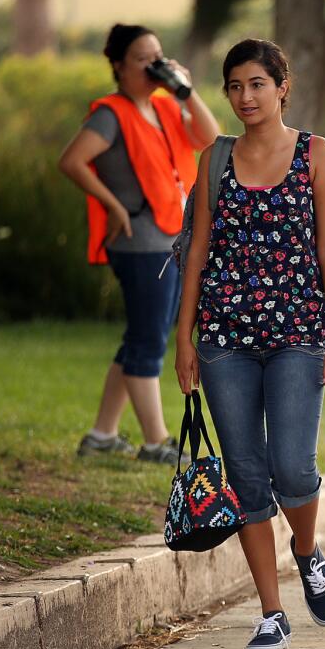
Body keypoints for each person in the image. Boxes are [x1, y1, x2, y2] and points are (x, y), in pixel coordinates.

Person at [174, 39, 325, 649]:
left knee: (292, 467)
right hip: (224, 335)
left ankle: (306, 549)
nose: (245, 97)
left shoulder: (316, 154)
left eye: (257, 84)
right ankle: (272, 613)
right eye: (234, 86)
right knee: (248, 476)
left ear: (282, 86)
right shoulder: (214, 158)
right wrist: (184, 339)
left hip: (298, 332)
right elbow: (197, 251)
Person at [58, 24, 220, 463]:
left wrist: (186, 91)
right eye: (142, 59)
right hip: (140, 241)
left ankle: (102, 435)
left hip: (171, 236)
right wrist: (111, 205)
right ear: (117, 65)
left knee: (141, 337)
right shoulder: (111, 113)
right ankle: (155, 443)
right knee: (149, 340)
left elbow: (209, 138)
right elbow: (71, 161)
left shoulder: (166, 107)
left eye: (159, 56)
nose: (154, 66)